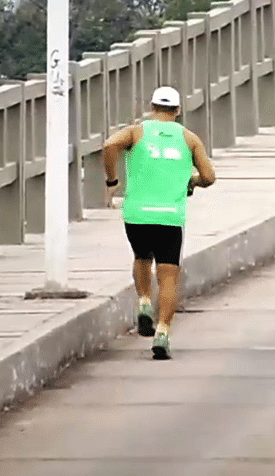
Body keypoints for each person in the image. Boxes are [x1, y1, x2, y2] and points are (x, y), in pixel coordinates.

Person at [103, 86, 216, 360]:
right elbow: (210, 176)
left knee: (142, 256)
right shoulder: (189, 139)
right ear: (177, 111)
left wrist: (112, 179)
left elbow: (109, 145)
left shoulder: (136, 132)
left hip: (137, 213)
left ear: (152, 106)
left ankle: (143, 302)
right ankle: (163, 332)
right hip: (170, 216)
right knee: (168, 275)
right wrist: (192, 180)